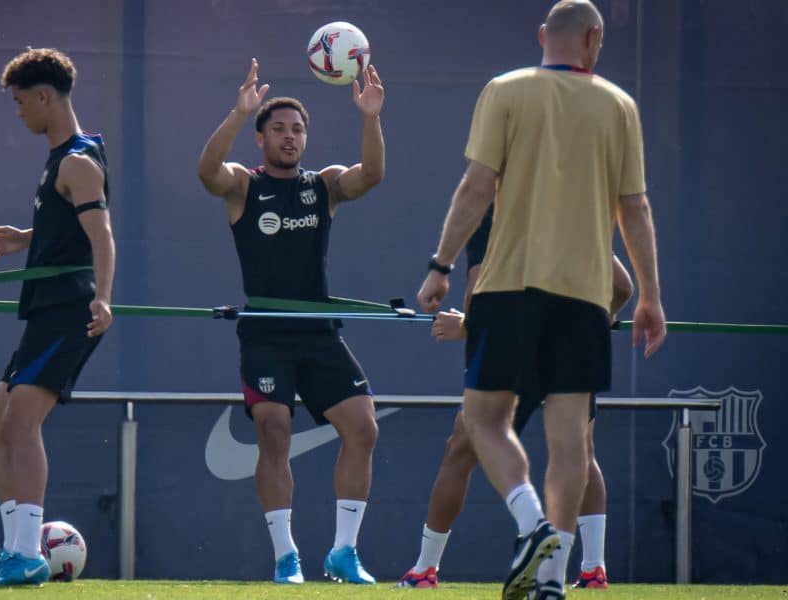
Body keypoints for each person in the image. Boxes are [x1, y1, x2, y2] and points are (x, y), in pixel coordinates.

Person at [416, 1, 666, 598]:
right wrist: (652, 297)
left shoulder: (504, 90)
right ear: (594, 39)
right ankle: (551, 579)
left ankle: (531, 526)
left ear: (541, 37)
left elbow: (476, 186)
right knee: (569, 438)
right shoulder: (619, 105)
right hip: (583, 297)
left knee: (482, 421)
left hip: (508, 290)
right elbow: (635, 208)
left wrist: (439, 266)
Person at [196, 58, 384, 585]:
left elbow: (371, 176)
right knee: (273, 432)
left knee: (363, 429)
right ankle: (286, 557)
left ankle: (344, 553)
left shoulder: (323, 185)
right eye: (278, 128)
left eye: (297, 129)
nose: (289, 137)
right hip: (266, 333)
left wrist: (370, 117)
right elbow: (207, 172)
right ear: (260, 139)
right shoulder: (243, 186)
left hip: (318, 332)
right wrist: (238, 113)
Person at [399, 204, 633, 590]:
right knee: (579, 451)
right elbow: (622, 286)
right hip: (572, 345)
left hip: (512, 346)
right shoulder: (573, 206)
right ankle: (591, 569)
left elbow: (477, 286)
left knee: (464, 445)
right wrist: (598, 319)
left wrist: (465, 328)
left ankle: (427, 569)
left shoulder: (489, 211)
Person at [0, 47, 115, 586]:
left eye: (19, 103)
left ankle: (28, 552)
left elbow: (103, 235)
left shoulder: (77, 161)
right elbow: (74, 225)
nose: (18, 113)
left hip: (70, 311)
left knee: (20, 421)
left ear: (43, 97)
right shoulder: (64, 161)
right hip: (45, 312)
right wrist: (27, 239)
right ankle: (15, 548)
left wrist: (104, 299)